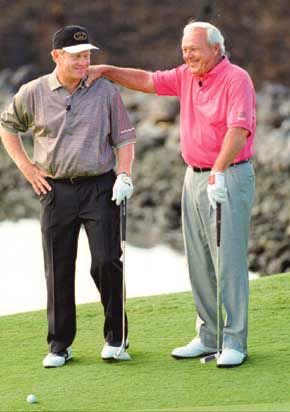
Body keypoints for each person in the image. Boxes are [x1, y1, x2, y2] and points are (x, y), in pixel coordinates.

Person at [88, 21, 256, 367]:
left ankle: (234, 341)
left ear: (215, 49)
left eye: (194, 49)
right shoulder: (187, 76)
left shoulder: (236, 78)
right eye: (184, 50)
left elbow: (239, 129)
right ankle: (209, 337)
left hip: (228, 176)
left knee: (229, 263)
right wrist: (107, 70)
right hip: (192, 177)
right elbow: (149, 81)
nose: (187, 55)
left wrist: (220, 171)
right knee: (198, 261)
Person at [0, 25, 136, 367]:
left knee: (107, 261)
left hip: (101, 187)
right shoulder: (33, 92)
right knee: (58, 268)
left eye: (87, 55)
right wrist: (28, 168)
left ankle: (117, 337)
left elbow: (124, 140)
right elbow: (8, 127)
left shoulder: (105, 92)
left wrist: (124, 175)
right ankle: (60, 345)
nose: (84, 61)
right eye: (76, 55)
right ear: (56, 56)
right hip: (56, 189)